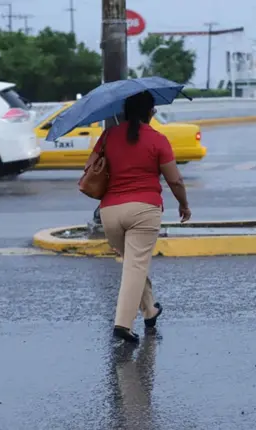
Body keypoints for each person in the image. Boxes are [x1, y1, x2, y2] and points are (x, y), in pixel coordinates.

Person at [87, 90, 191, 343]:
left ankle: (150, 310)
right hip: (144, 211)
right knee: (135, 265)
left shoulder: (108, 136)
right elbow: (175, 180)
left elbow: (90, 166)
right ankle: (122, 324)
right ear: (149, 112)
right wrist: (184, 205)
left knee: (134, 262)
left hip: (110, 212)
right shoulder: (157, 139)